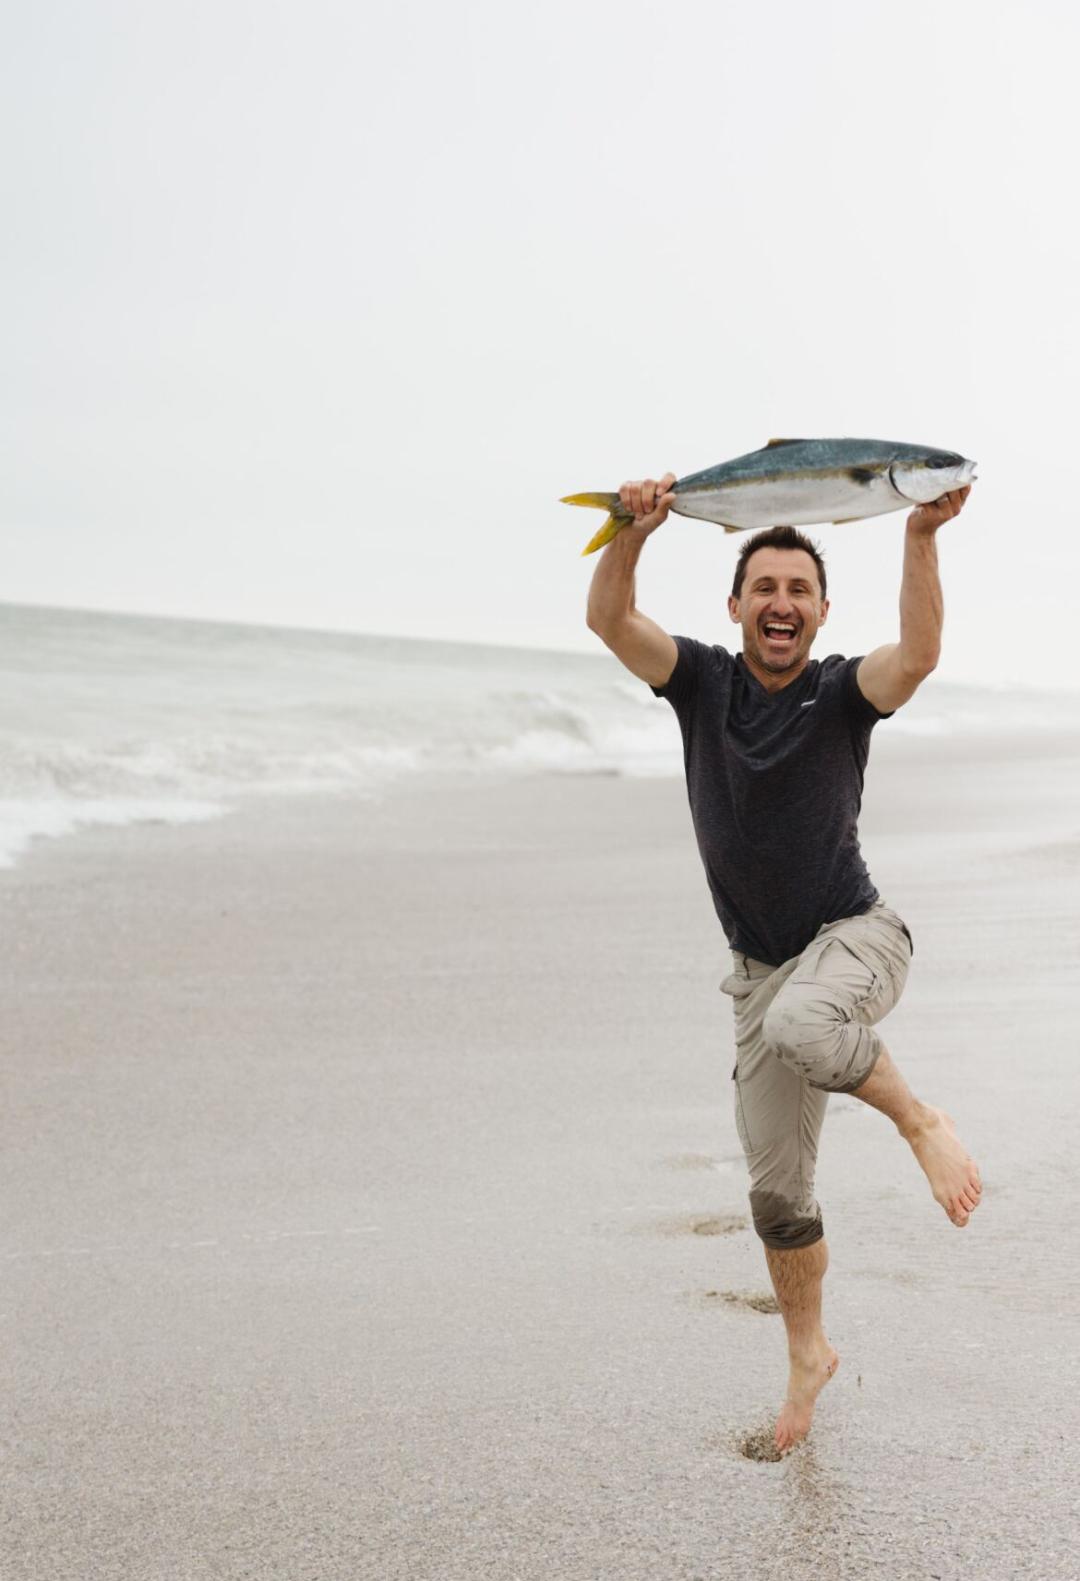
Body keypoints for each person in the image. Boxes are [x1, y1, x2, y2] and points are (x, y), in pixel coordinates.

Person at [584, 473, 982, 1454]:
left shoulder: (840, 693)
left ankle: (921, 1121)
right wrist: (632, 529)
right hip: (758, 971)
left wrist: (921, 537)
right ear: (736, 606)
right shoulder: (702, 682)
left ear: (821, 611)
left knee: (803, 1022)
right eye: (764, 586)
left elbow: (919, 655)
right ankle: (808, 1353)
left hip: (857, 939)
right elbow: (610, 621)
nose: (782, 602)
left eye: (799, 589)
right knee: (776, 1197)